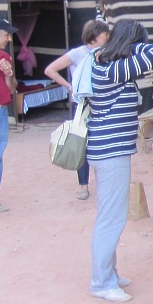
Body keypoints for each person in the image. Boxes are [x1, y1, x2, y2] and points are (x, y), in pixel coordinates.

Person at [85, 20, 153, 302]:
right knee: (111, 218)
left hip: (106, 150)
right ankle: (101, 282)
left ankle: (109, 272)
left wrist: (123, 43)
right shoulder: (114, 69)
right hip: (110, 152)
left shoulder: (105, 64)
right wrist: (133, 43)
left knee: (109, 214)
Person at [44, 19, 112, 201]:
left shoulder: (107, 52)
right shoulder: (77, 53)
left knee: (102, 143)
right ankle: (83, 186)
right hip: (82, 104)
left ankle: (103, 183)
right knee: (81, 142)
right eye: (105, 33)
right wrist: (70, 86)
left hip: (102, 102)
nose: (108, 36)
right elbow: (50, 70)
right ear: (95, 36)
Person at [0, 18, 16, 213]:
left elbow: (12, 88)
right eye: (6, 34)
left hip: (1, 110)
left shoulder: (5, 58)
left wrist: (8, 74)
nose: (9, 39)